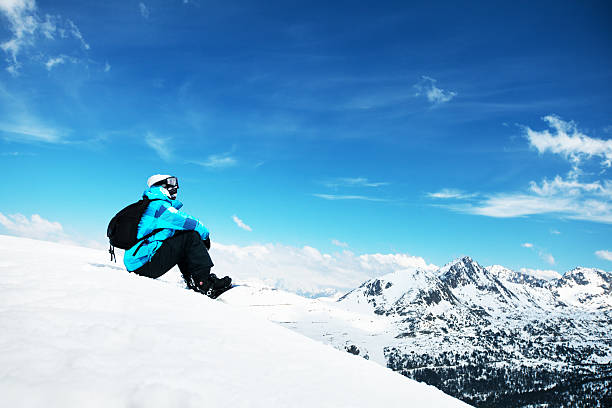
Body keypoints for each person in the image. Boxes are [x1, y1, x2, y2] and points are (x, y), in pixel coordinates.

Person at [123, 174, 232, 298]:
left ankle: (195, 280)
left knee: (182, 236)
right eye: (172, 185)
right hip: (143, 264)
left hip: (138, 262)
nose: (176, 189)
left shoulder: (152, 205)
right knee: (190, 236)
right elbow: (189, 222)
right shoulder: (159, 207)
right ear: (161, 186)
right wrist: (205, 236)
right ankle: (204, 283)